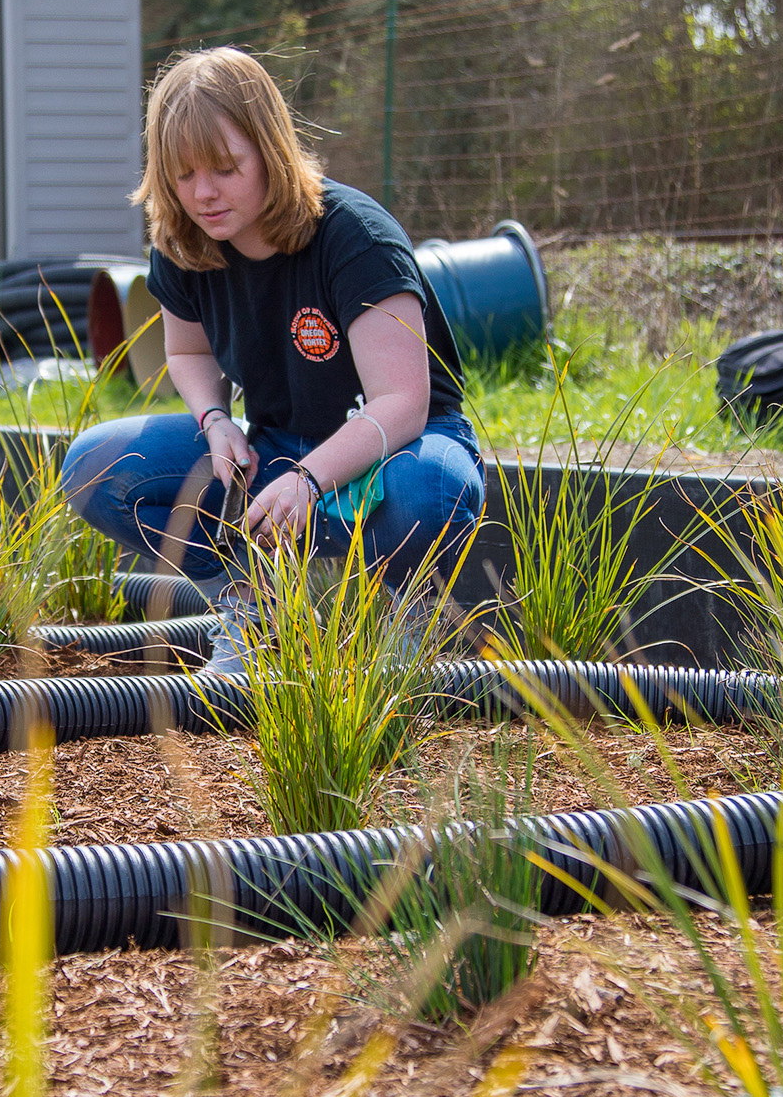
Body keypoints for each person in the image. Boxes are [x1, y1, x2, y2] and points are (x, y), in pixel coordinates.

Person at [61, 47, 486, 662]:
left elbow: (404, 403)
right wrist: (215, 423)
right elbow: (186, 351)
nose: (203, 194)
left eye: (226, 168)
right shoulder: (184, 240)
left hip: (393, 449)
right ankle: (250, 604)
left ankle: (404, 615)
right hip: (278, 448)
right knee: (97, 465)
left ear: (270, 150)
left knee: (430, 491)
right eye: (183, 175)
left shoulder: (354, 237)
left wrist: (309, 480)